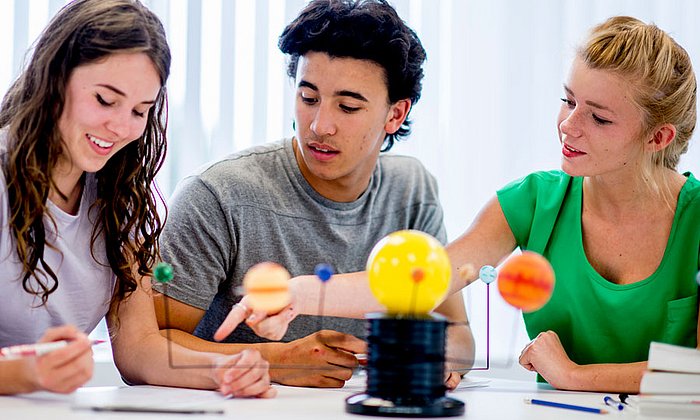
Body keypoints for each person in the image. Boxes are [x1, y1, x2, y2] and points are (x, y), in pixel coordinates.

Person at [219, 15, 699, 394]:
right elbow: (423, 280)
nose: (569, 125)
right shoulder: (534, 199)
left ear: (657, 137)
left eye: (598, 117)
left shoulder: (695, 217)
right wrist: (299, 293)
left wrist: (575, 376)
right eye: (568, 100)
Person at [153, 0, 474, 389]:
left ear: (395, 114)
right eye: (308, 98)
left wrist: (432, 358)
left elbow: (458, 334)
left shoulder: (411, 190)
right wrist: (275, 361)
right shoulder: (219, 194)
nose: (321, 126)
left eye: (348, 106)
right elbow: (152, 347)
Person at [0, 0, 274, 397]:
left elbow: (138, 349)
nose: (121, 126)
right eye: (105, 100)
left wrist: (224, 369)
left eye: (140, 110)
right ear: (54, 78)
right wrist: (29, 373)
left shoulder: (118, 199)